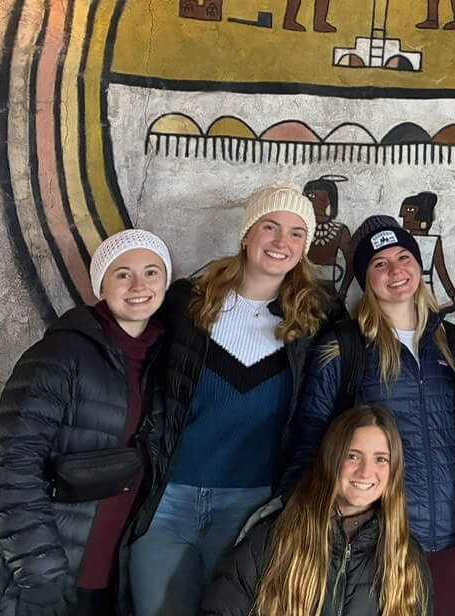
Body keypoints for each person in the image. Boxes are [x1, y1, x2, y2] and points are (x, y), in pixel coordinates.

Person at [132, 184, 342, 616]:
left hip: (252, 507)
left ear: (305, 247)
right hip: (167, 501)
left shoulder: (321, 318)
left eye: (297, 233)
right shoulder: (185, 304)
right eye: (270, 226)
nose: (282, 242)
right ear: (247, 234)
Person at [0, 229, 172, 616]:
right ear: (101, 284)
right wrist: (41, 575)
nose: (139, 285)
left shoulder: (160, 358)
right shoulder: (61, 354)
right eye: (123, 274)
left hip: (100, 577)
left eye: (151, 272)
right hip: (31, 574)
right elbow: (7, 465)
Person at [287, 215, 455, 616]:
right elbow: (310, 439)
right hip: (382, 535)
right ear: (365, 279)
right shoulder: (345, 345)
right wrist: (301, 525)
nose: (395, 271)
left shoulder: (446, 340)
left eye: (403, 257)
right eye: (379, 264)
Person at [199, 405, 430, 616]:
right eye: (352, 456)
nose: (366, 472)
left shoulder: (407, 556)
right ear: (331, 459)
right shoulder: (272, 537)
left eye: (381, 459)